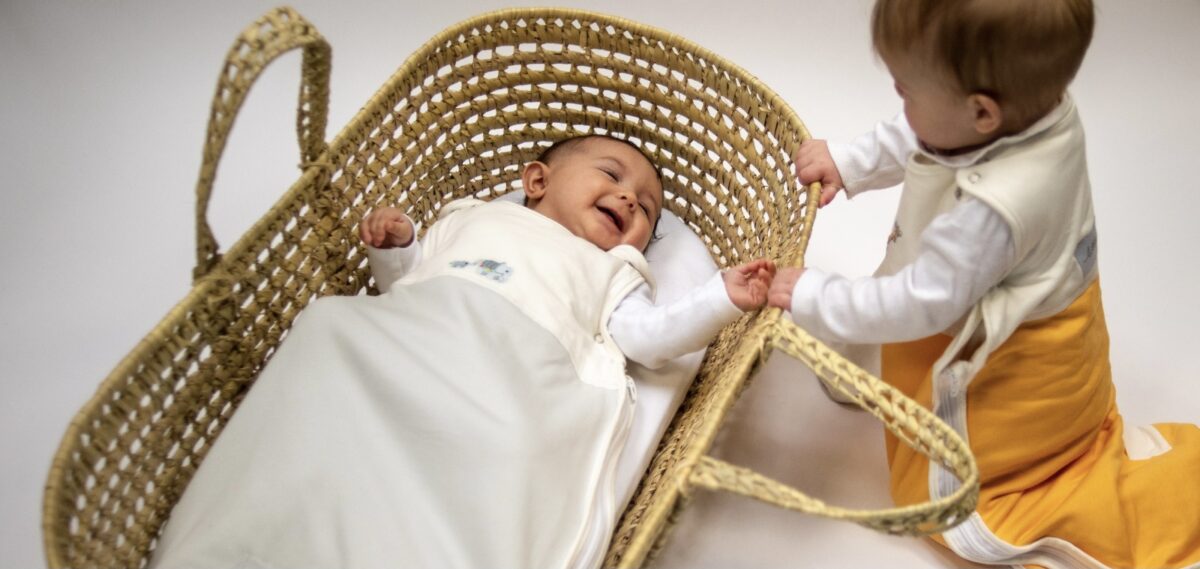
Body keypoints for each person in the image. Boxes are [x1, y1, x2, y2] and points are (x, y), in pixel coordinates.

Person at [149, 133, 775, 569]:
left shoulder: (615, 271)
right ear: (536, 180)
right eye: (612, 176)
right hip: (408, 349)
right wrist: (395, 250)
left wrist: (720, 298)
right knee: (329, 328)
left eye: (648, 210)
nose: (631, 199)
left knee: (513, 446)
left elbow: (652, 340)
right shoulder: (471, 217)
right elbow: (411, 289)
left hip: (511, 378)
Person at [767, 1, 1200, 567]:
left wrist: (815, 296)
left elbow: (919, 302)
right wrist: (852, 162)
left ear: (981, 113)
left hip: (1009, 353)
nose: (900, 102)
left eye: (906, 92)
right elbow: (919, 134)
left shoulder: (993, 213)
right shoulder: (1021, 112)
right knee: (893, 330)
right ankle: (871, 373)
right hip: (969, 294)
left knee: (954, 493)